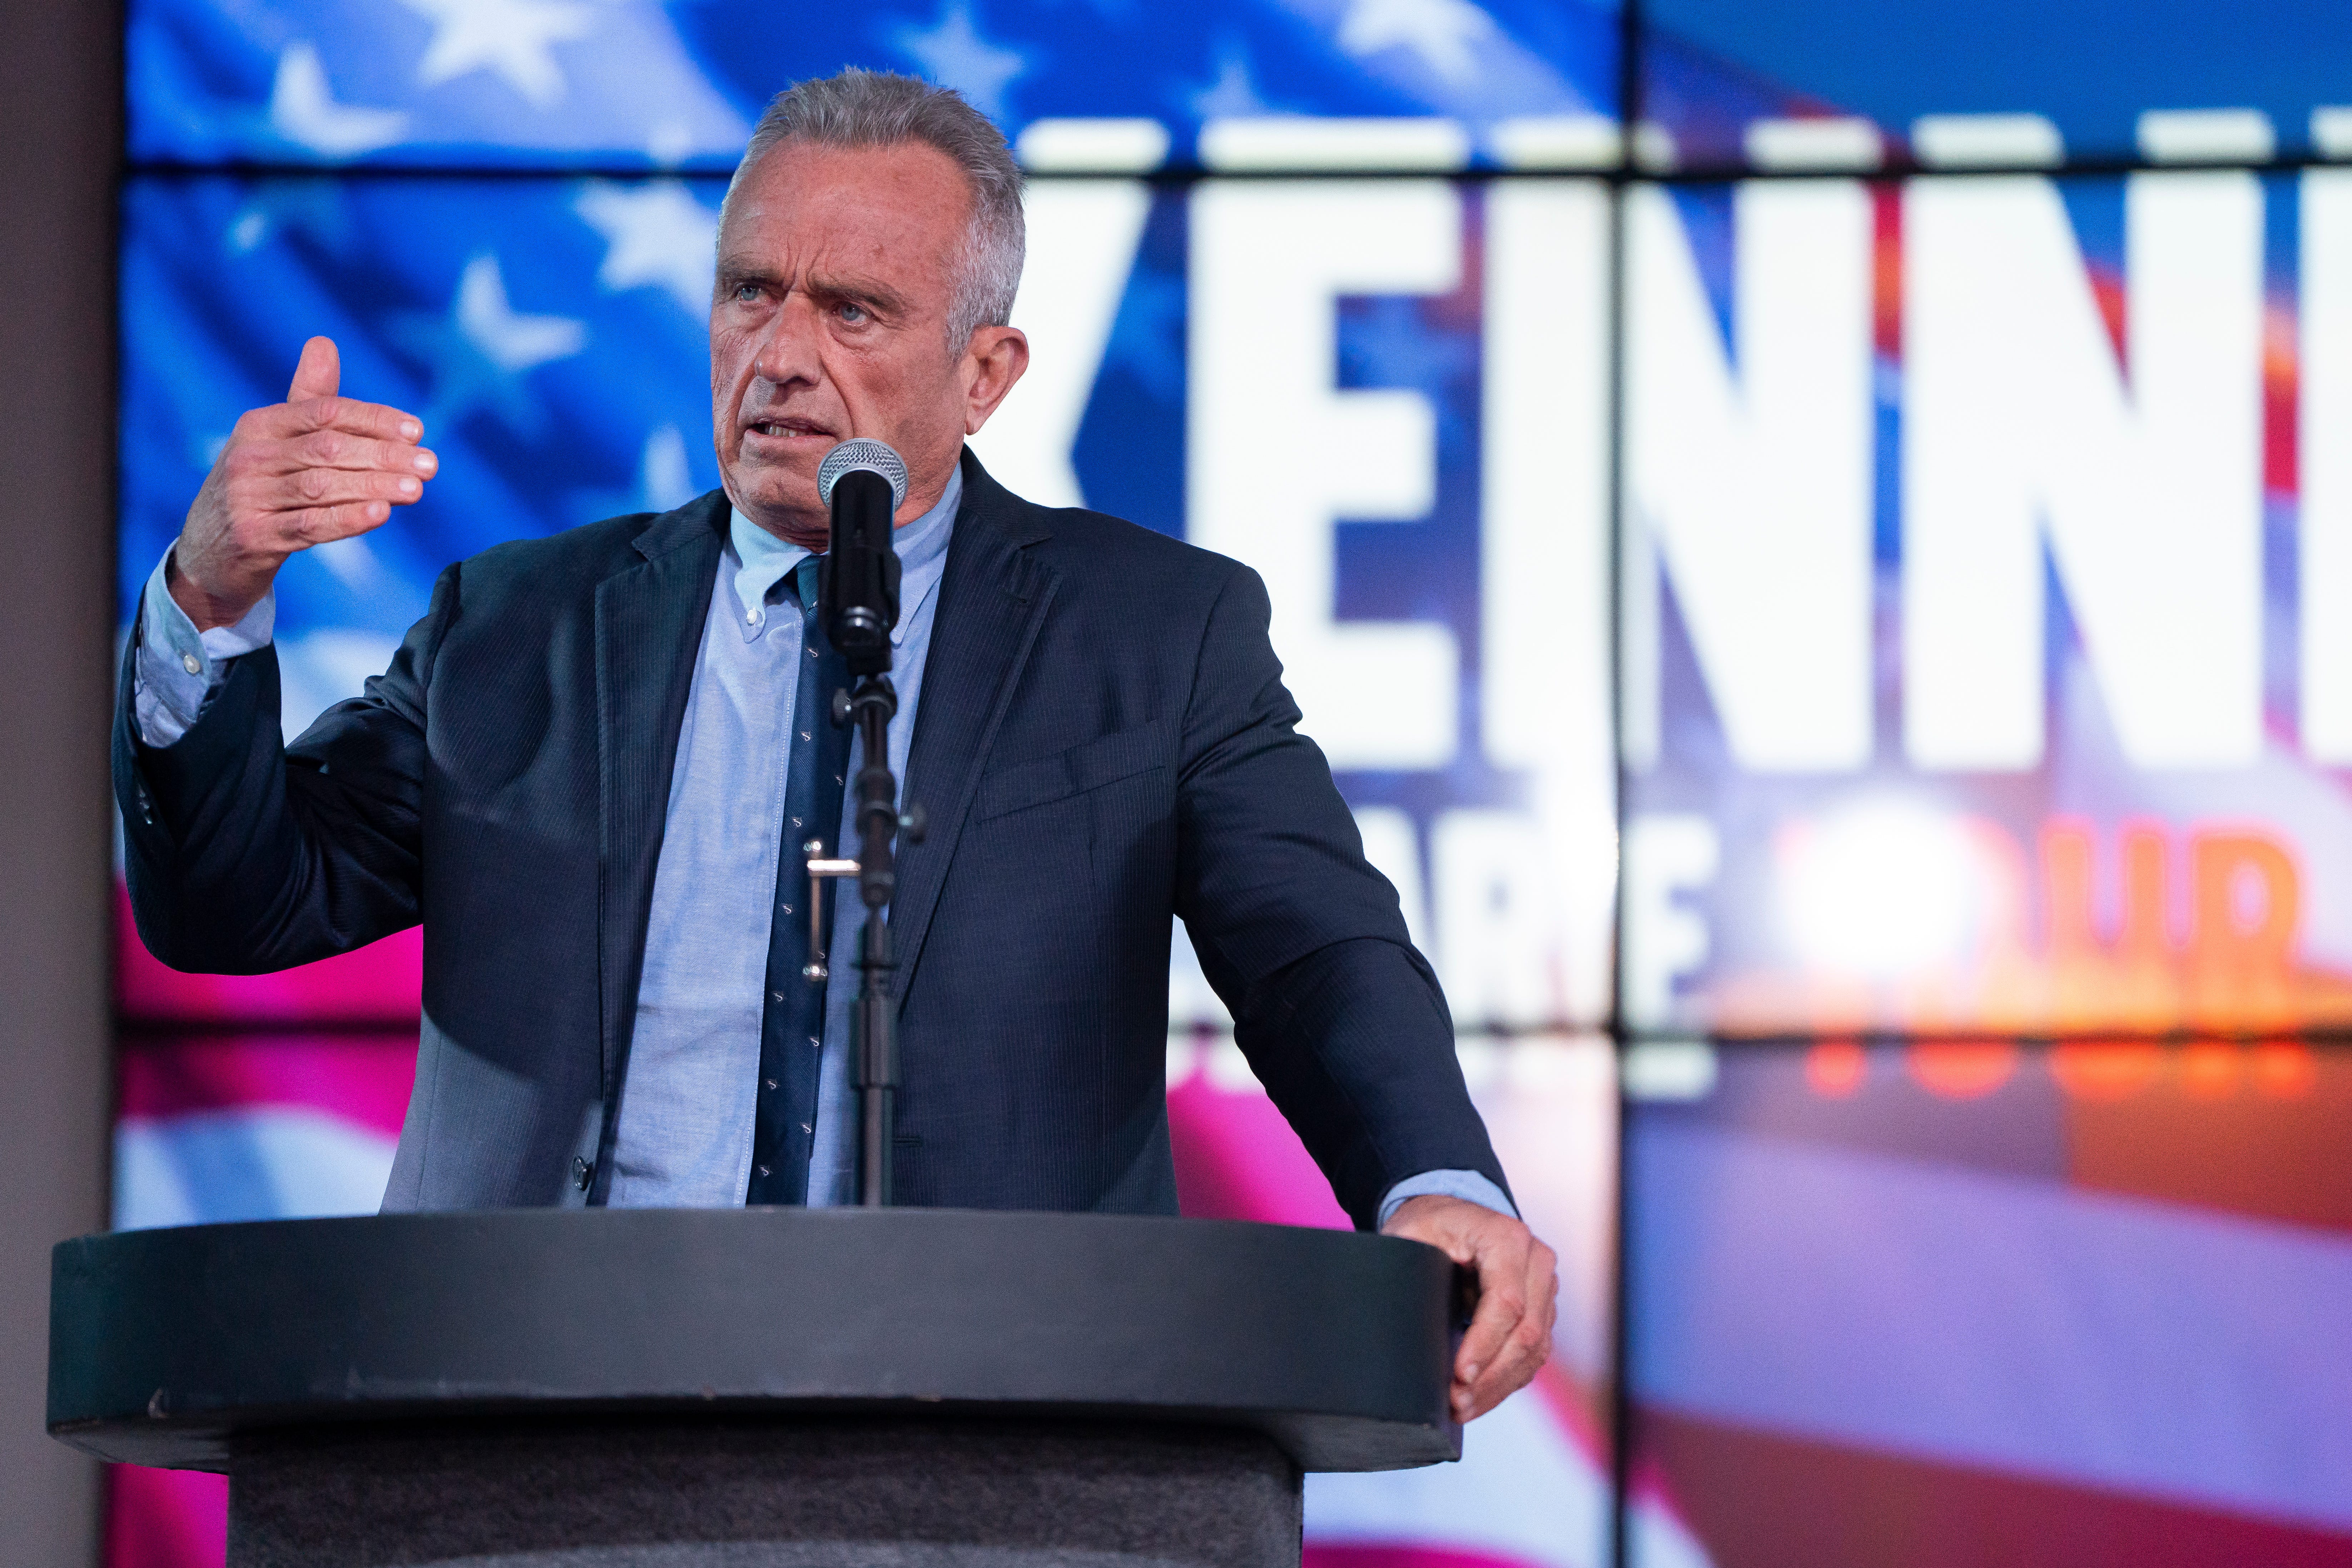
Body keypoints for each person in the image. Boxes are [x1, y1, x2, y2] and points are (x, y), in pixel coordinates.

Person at [114, 70, 1557, 1422]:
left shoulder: (1152, 633)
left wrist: (1429, 1179)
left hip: (991, 1423)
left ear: (984, 370)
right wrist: (213, 596)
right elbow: (235, 906)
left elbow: (1311, 951)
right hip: (521, 1411)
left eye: (854, 311)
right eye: (752, 291)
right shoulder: (515, 624)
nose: (784, 355)